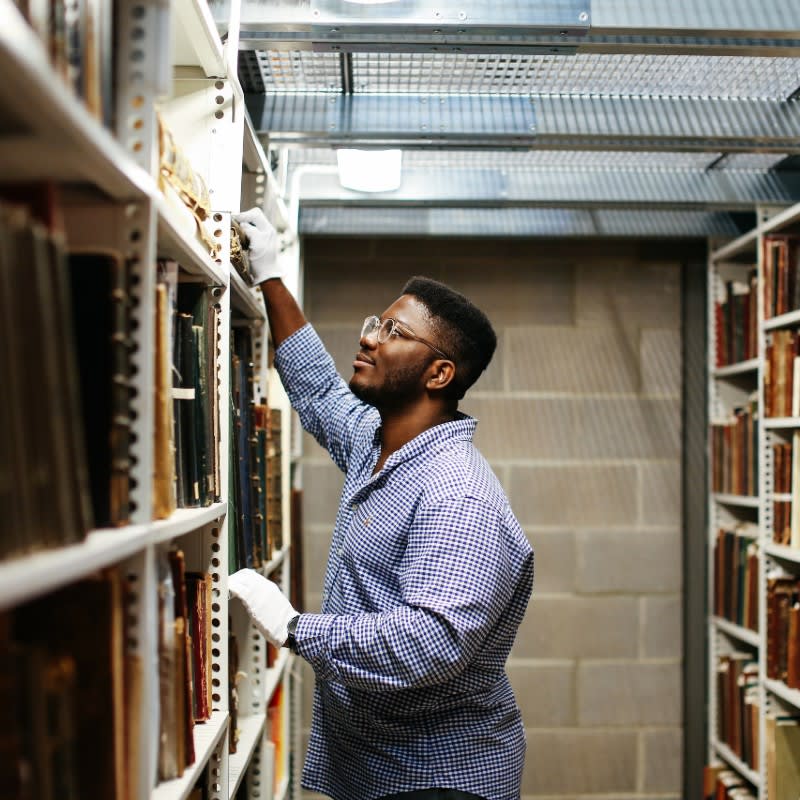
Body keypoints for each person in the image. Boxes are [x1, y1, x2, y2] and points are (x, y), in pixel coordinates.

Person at [228, 208, 534, 800]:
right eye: (377, 322)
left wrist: (295, 629)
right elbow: (317, 389)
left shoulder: (456, 494)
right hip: (375, 769)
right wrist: (269, 277)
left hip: (437, 780)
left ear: (439, 373)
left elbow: (429, 643)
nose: (369, 336)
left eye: (395, 333)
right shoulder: (381, 444)